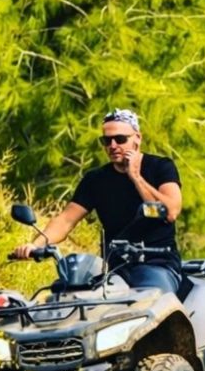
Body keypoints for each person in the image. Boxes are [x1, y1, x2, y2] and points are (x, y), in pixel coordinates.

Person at [12, 108, 183, 292]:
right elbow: (66, 220)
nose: (113, 145)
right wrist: (35, 245)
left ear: (137, 138)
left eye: (120, 139)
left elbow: (170, 211)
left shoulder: (160, 167)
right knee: (65, 295)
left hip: (157, 266)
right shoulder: (96, 179)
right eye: (106, 140)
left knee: (154, 303)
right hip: (114, 270)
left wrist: (135, 177)